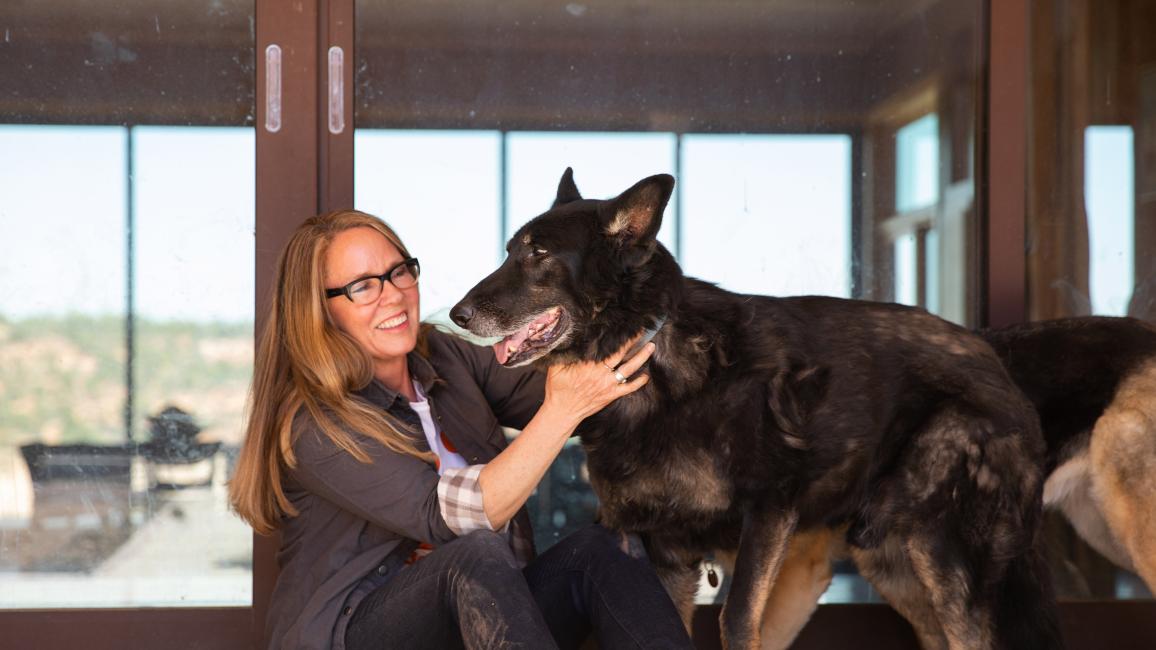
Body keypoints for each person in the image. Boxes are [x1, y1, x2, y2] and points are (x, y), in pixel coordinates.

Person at [228, 209, 694, 650]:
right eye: (363, 286)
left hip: (489, 619)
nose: (393, 294)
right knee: (477, 551)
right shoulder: (314, 422)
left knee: (603, 549)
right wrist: (563, 409)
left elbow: (586, 393)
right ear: (320, 310)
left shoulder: (446, 355)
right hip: (359, 634)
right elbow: (449, 516)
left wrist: (642, 309)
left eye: (398, 271)